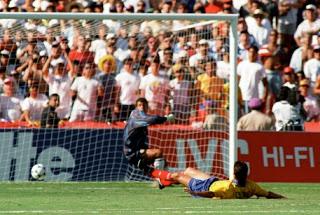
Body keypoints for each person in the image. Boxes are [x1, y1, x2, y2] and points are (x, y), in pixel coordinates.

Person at [164, 161, 285, 199]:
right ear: (247, 173)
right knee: (189, 170)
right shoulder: (252, 186)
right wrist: (282, 197)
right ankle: (164, 183)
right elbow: (268, 194)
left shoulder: (228, 188)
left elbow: (211, 193)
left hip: (203, 186)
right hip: (214, 180)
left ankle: (159, 177)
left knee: (177, 175)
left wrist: (194, 192)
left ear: (233, 174)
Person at [123, 97, 174, 185]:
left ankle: (164, 180)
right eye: (139, 105)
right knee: (158, 152)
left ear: (147, 107)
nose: (141, 107)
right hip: (132, 152)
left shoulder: (141, 119)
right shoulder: (136, 115)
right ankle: (160, 180)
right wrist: (166, 118)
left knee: (163, 161)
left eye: (144, 105)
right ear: (136, 107)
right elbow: (152, 119)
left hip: (138, 150)